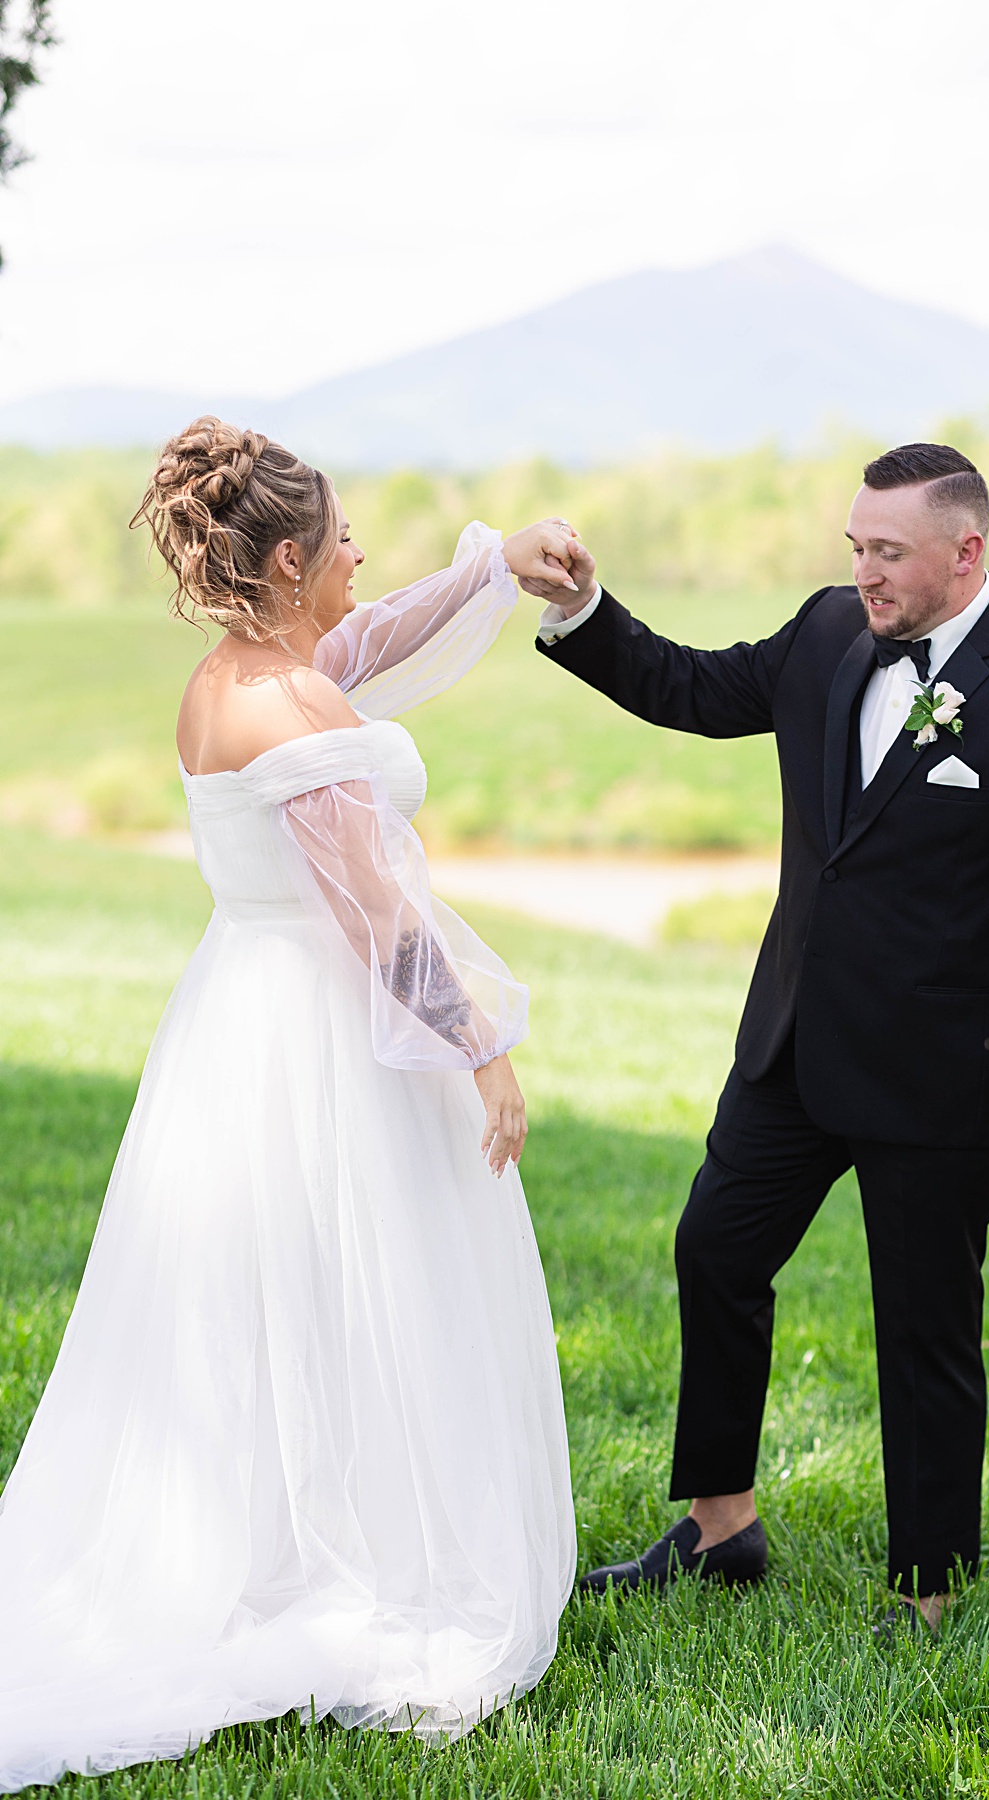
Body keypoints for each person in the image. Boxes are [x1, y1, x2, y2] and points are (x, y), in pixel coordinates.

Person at [0, 417, 584, 1790]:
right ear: (280, 560)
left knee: (275, 1298)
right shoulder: (291, 710)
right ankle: (362, 1558)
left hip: (238, 1021)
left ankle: (293, 1521)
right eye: (336, 546)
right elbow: (381, 919)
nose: (359, 559)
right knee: (358, 1283)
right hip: (325, 1035)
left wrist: (499, 566)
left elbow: (371, 633)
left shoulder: (240, 677)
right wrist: (481, 1049)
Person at [527, 443, 989, 1633]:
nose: (864, 571)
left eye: (889, 553)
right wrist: (587, 614)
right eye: (855, 546)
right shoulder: (823, 633)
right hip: (795, 1049)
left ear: (966, 552)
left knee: (923, 1330)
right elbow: (696, 689)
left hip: (941, 1079)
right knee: (714, 1248)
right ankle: (720, 1526)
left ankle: (927, 1591)